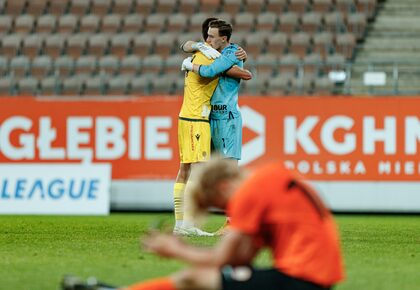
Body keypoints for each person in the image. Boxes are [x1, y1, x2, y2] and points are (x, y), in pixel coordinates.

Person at [61, 157, 345, 290]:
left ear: (223, 187)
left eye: (220, 207)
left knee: (193, 278)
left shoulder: (250, 191)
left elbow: (222, 258)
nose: (227, 212)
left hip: (301, 280)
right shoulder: (269, 179)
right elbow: (239, 260)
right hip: (314, 277)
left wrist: (175, 250)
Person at [172, 18, 252, 236]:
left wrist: (190, 65)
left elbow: (210, 72)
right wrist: (196, 47)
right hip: (209, 120)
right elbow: (185, 45)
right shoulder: (208, 50)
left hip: (225, 119)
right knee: (207, 172)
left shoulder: (231, 54)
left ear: (223, 39)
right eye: (206, 36)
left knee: (229, 172)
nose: (206, 40)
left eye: (211, 36)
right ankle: (185, 224)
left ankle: (235, 222)